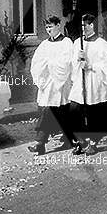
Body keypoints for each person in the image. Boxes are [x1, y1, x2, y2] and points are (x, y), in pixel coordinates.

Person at [68, 14, 107, 155]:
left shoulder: (101, 43)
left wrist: (90, 65)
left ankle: (92, 142)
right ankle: (81, 142)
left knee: (94, 115)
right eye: (81, 26)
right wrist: (78, 60)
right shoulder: (78, 42)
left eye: (86, 26)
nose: (83, 29)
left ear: (92, 25)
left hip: (95, 83)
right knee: (74, 111)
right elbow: (73, 63)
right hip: (81, 83)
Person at [28, 16, 74, 155]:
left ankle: (41, 142)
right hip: (47, 83)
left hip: (61, 83)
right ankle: (41, 143)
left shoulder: (66, 43)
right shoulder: (44, 45)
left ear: (58, 25)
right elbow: (36, 63)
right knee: (49, 110)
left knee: (59, 111)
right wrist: (44, 68)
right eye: (47, 27)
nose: (49, 30)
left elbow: (67, 62)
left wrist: (50, 64)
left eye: (51, 27)